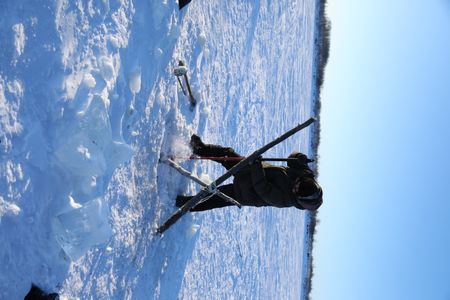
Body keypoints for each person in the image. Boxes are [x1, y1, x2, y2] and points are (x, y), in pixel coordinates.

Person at [176, 135, 323, 211]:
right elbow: (292, 160)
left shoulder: (285, 200)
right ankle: (199, 149)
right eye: (302, 183)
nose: (297, 184)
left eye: (299, 190)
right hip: (250, 169)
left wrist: (257, 165)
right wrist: (299, 158)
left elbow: (262, 188)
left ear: (299, 198)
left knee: (215, 197)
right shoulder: (304, 176)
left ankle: (185, 204)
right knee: (226, 154)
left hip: (246, 192)